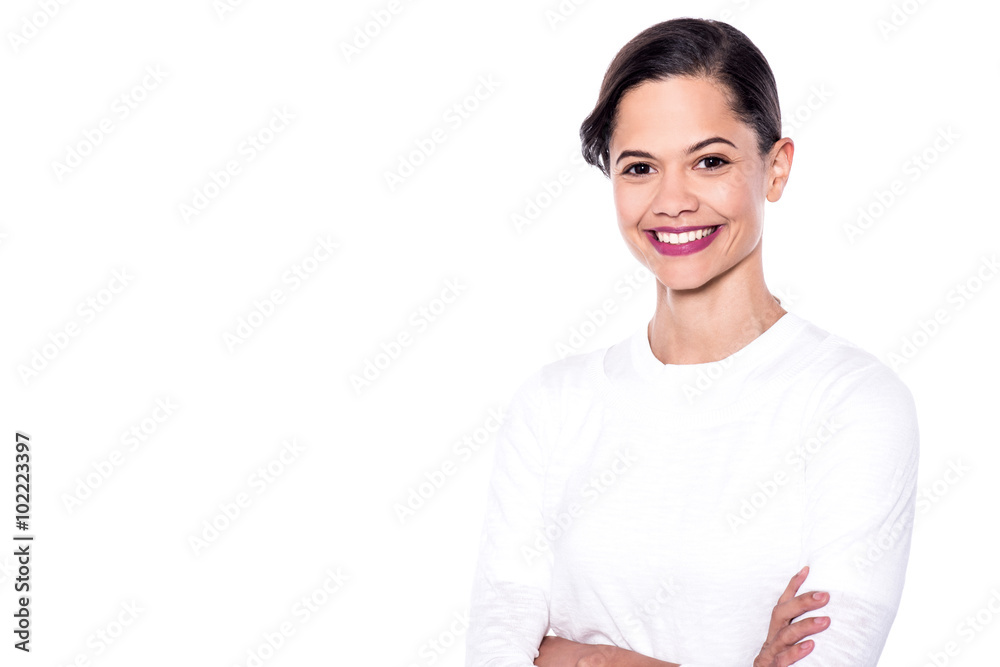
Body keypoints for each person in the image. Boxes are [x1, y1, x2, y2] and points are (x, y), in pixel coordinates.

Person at [466, 17, 919, 667]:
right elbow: (494, 649)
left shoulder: (853, 402)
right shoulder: (553, 405)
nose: (672, 200)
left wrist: (587, 659)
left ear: (776, 168)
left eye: (710, 161)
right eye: (640, 167)